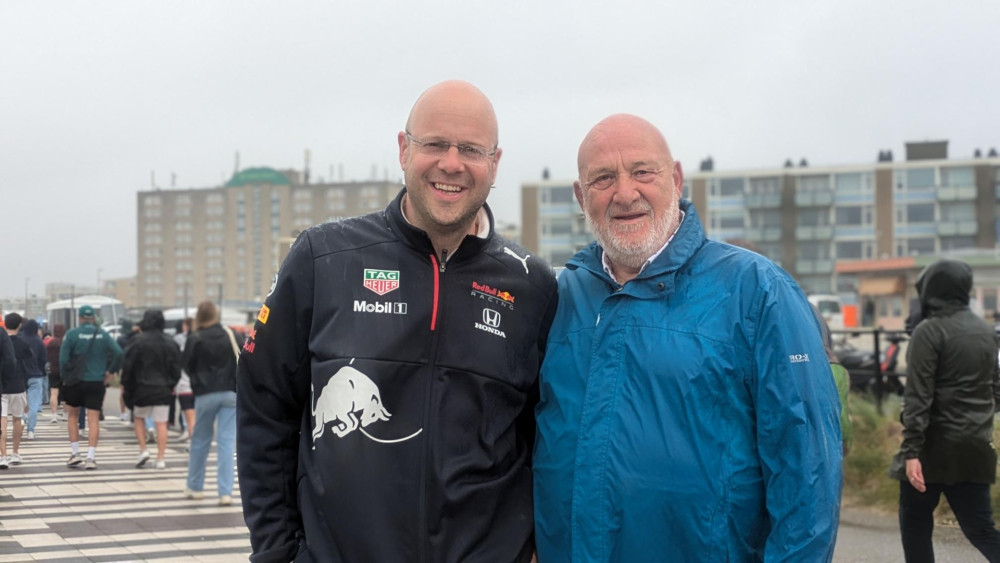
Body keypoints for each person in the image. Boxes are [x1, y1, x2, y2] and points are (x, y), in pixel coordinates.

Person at [236, 80, 558, 562]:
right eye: (435, 144)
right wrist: (278, 551)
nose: (452, 163)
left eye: (471, 149)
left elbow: (544, 438)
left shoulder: (533, 287)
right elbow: (264, 411)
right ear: (404, 149)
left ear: (495, 163)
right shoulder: (322, 259)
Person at [533, 114, 842, 561]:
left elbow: (808, 473)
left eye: (642, 171)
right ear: (582, 197)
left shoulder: (756, 290)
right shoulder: (560, 297)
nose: (625, 192)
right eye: (603, 178)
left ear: (675, 178)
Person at [889, 259, 1000, 561]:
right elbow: (996, 389)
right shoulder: (986, 331)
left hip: (931, 448)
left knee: (915, 524)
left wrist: (912, 451)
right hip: (976, 446)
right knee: (981, 530)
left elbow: (917, 397)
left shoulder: (929, 331)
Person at [183, 302, 241, 505]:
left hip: (205, 394)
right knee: (226, 442)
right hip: (230, 393)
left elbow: (187, 364)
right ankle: (225, 492)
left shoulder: (195, 337)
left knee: (200, 440)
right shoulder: (229, 334)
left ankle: (195, 486)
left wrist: (198, 380)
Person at [58, 305, 124, 470]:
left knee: (73, 416)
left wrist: (65, 378)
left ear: (79, 318)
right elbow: (119, 353)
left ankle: (75, 454)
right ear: (93, 318)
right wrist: (110, 372)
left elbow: (63, 360)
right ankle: (91, 457)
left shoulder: (72, 334)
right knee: (93, 418)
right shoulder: (102, 334)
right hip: (96, 381)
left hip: (75, 382)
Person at [121, 309, 181, 469]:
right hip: (163, 388)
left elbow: (128, 367)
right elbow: (176, 369)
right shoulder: (170, 342)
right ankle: (160, 458)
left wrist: (127, 387)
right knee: (161, 423)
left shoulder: (136, 341)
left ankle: (143, 449)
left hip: (141, 388)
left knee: (139, 418)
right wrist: (171, 384)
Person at [2, 313, 31, 468]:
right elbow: (30, 362)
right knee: (17, 419)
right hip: (18, 385)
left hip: (2, 387)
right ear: (20, 325)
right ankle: (15, 453)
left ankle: (3, 456)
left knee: (2, 421)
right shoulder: (23, 343)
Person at [20, 319, 47, 440]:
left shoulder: (20, 339)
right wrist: (40, 369)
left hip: (20, 375)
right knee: (34, 404)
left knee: (21, 401)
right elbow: (43, 359)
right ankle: (31, 430)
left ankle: (22, 418)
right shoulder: (39, 341)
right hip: (36, 375)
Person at [172, 318, 195, 441]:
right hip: (199, 382)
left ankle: (188, 432)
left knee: (186, 412)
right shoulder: (200, 337)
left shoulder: (178, 339)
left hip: (183, 381)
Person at [46, 323, 66, 423]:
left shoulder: (50, 343)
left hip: (53, 370)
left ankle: (54, 415)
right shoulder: (65, 343)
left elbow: (47, 357)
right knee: (66, 394)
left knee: (54, 393)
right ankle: (65, 414)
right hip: (64, 370)